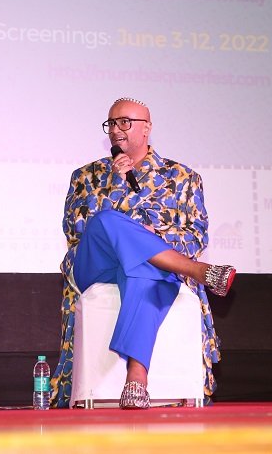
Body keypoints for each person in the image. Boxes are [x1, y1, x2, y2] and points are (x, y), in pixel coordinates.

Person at [50, 97, 236, 409]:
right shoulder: (87, 176)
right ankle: (199, 271)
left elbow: (197, 234)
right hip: (96, 265)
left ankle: (136, 377)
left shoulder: (182, 177)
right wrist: (116, 184)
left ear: (147, 128)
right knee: (106, 220)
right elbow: (76, 231)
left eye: (125, 122)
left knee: (141, 268)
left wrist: (154, 238)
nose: (116, 130)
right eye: (111, 123)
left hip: (149, 269)